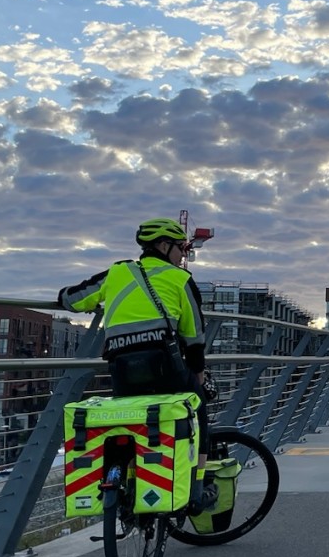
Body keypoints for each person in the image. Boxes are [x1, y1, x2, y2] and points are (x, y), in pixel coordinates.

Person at [58, 217, 215, 514]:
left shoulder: (116, 273)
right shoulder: (180, 279)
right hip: (165, 367)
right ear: (164, 246)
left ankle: (125, 490)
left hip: (122, 368)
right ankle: (196, 486)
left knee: (129, 420)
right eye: (181, 247)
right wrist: (199, 375)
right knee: (197, 409)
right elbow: (194, 338)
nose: (184, 254)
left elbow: (71, 299)